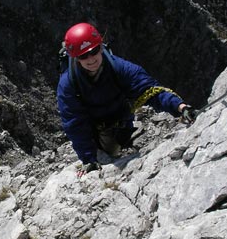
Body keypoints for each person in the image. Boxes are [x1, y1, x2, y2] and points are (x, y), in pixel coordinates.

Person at [57, 22, 196, 177]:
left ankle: (122, 142)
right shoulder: (68, 85)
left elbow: (151, 91)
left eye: (94, 51)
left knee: (117, 147)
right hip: (94, 127)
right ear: (75, 58)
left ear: (101, 47)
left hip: (121, 120)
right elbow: (74, 123)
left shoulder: (120, 68)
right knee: (106, 155)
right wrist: (87, 158)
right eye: (83, 56)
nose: (91, 59)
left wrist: (181, 107)